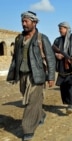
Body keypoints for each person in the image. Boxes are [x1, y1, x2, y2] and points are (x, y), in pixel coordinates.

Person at [6, 11, 55, 141]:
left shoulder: (42, 38)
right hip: (22, 75)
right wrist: (12, 75)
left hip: (37, 75)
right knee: (30, 99)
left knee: (32, 102)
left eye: (26, 21)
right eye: (22, 21)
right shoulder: (19, 38)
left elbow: (50, 58)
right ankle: (41, 115)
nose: (24, 24)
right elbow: (15, 59)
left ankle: (28, 130)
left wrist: (51, 76)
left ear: (34, 22)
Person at [52, 22, 72, 114]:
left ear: (67, 29)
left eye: (61, 28)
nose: (59, 30)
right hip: (62, 66)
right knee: (64, 86)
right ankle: (69, 102)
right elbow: (51, 51)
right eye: (59, 29)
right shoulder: (57, 40)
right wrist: (56, 55)